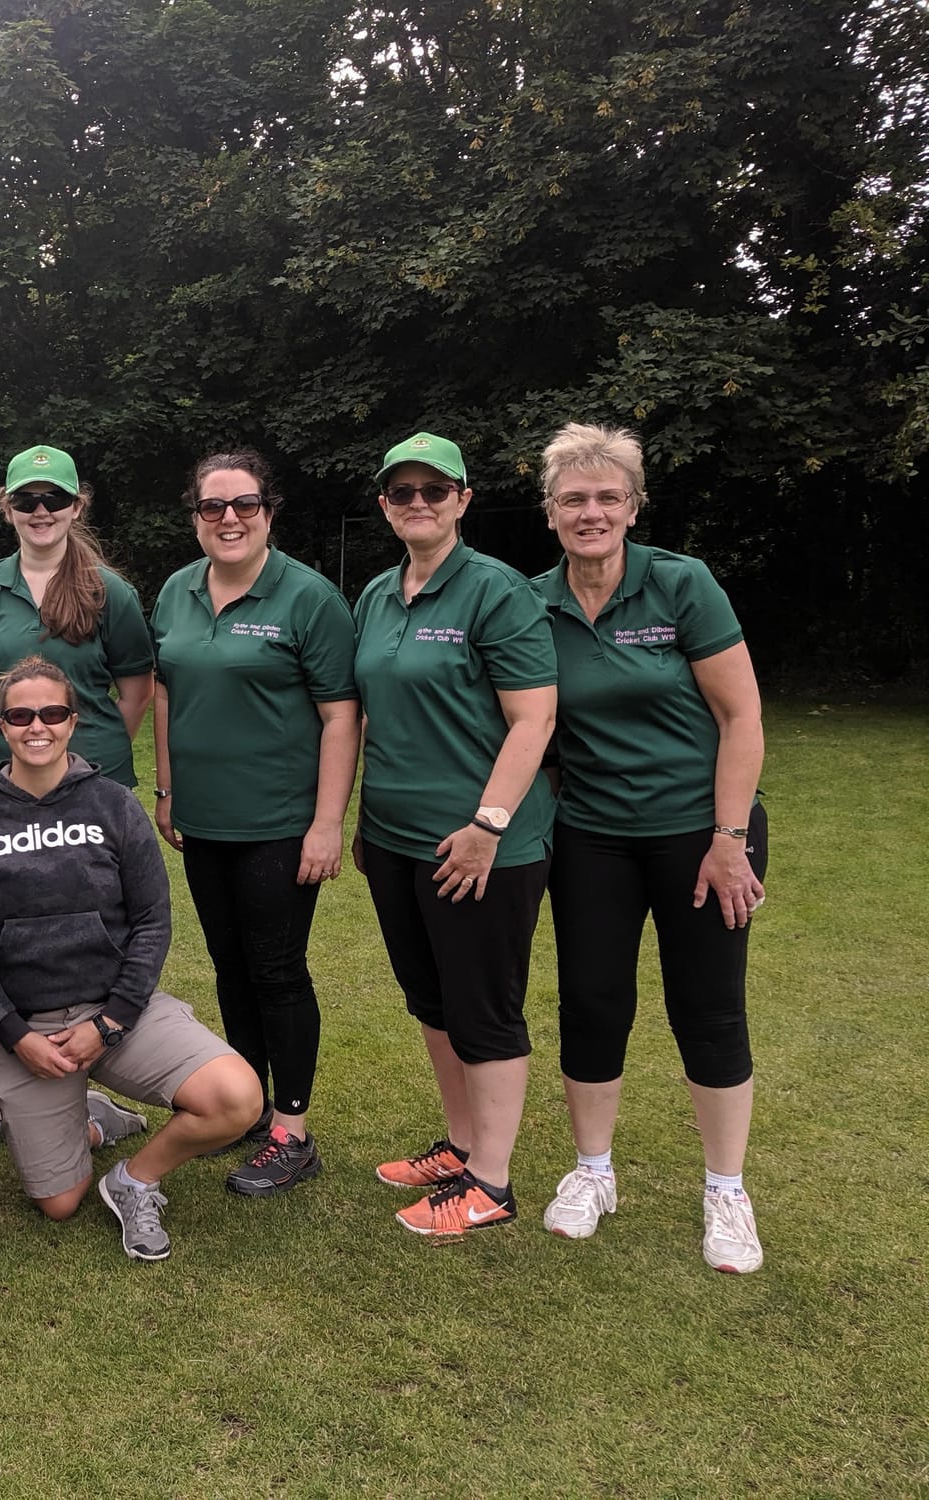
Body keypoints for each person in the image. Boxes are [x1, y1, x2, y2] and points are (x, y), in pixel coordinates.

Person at [530, 423, 770, 1273]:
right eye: (573, 499)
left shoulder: (681, 583)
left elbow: (742, 718)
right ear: (550, 509)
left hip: (703, 838)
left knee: (707, 1008)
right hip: (592, 836)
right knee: (593, 1003)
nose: (590, 512)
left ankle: (726, 1192)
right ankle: (593, 1172)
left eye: (607, 497)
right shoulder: (536, 601)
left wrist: (729, 840)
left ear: (633, 506)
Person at [0, 658, 263, 1261]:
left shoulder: (114, 804)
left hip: (119, 1014)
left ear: (73, 719)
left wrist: (110, 1022)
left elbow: (151, 922)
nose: (38, 727)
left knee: (238, 1099)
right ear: (1, 725)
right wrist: (14, 1035)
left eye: (53, 713)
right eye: (20, 715)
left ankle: (135, 1179)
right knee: (59, 1201)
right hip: (27, 1030)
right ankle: (93, 1119)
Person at [351, 432, 557, 1238]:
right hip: (398, 838)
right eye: (402, 492)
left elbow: (534, 717)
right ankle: (460, 1146)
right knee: (431, 1000)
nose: (418, 504)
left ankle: (493, 1185)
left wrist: (486, 825)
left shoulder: (497, 591)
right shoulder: (376, 594)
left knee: (484, 1008)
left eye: (435, 491)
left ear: (464, 501)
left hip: (484, 845)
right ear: (385, 506)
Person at [150, 448, 360, 1197]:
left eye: (245, 505)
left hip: (279, 822)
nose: (229, 519)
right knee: (231, 968)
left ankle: (292, 1132)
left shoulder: (308, 598)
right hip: (204, 822)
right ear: (196, 515)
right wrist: (168, 790)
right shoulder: (176, 591)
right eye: (213, 507)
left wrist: (327, 822)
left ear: (270, 511)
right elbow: (168, 693)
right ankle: (244, 1109)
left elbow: (342, 716)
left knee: (276, 970)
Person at [0, 444, 155, 1150]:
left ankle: (90, 1080)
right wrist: (19, 746)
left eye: (54, 500)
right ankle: (6, 1081)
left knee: (97, 930)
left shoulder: (108, 590)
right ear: (6, 506)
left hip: (91, 787)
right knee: (2, 935)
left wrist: (73, 756)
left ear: (77, 505)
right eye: (26, 500)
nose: (41, 512)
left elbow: (134, 687)